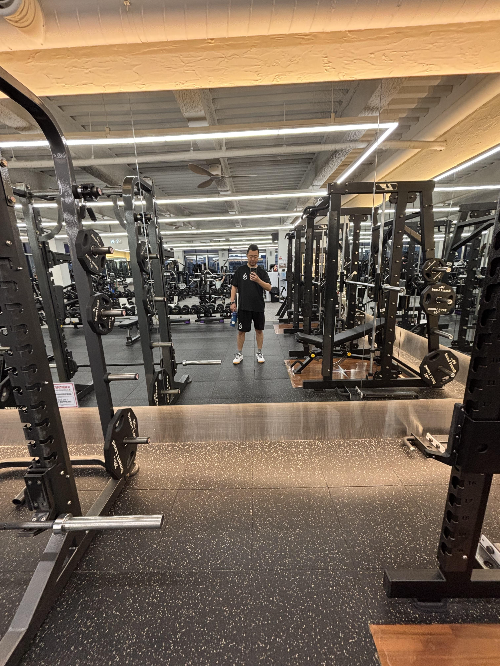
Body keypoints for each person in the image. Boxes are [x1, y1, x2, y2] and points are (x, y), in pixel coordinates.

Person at [230, 244, 272, 364]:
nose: (253, 259)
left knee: (259, 330)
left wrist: (258, 280)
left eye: (255, 256)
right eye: (250, 256)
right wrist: (232, 302)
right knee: (241, 331)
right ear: (247, 256)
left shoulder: (262, 272)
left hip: (258, 306)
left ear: (258, 256)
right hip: (244, 306)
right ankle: (239, 353)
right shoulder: (240, 270)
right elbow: (234, 286)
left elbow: (269, 287)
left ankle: (259, 352)